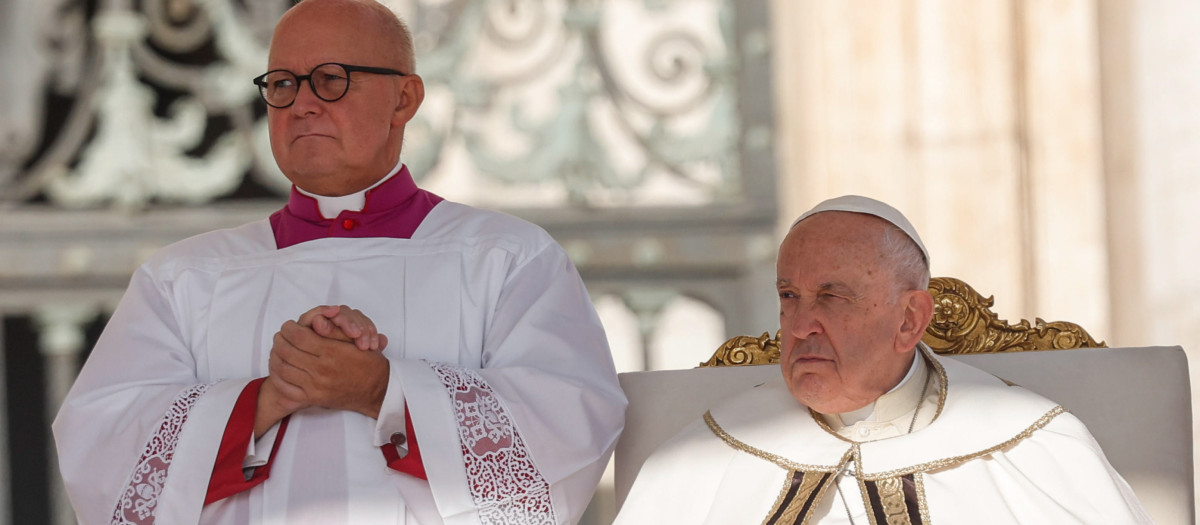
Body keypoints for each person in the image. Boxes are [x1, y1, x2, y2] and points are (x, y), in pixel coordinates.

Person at [52, 1, 626, 523]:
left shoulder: (508, 260)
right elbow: (101, 454)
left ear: (404, 99)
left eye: (330, 80)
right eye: (282, 83)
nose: (301, 104)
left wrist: (383, 389)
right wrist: (267, 399)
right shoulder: (185, 279)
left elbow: (567, 433)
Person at [615, 195, 1151, 524]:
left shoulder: (1031, 449)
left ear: (910, 320)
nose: (800, 326)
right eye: (788, 296)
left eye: (833, 297)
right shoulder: (702, 459)